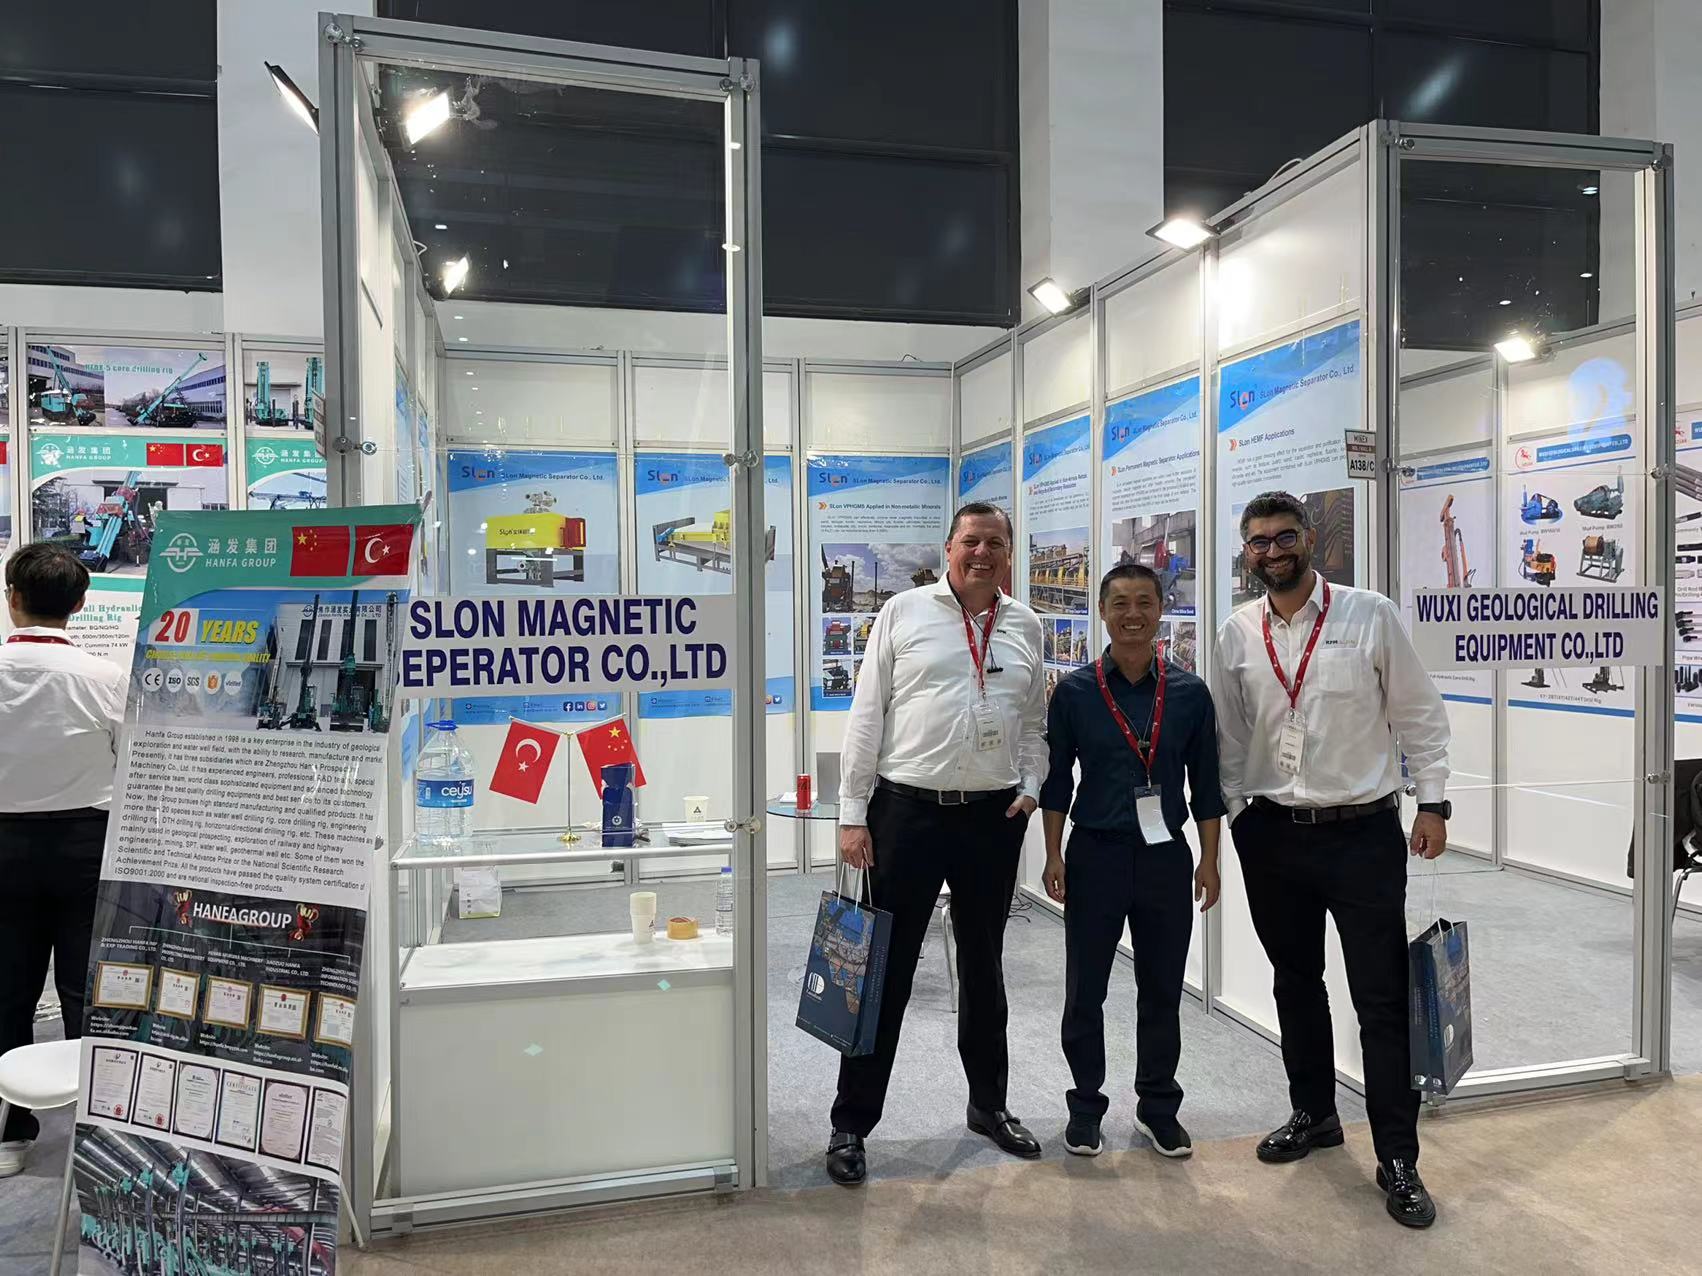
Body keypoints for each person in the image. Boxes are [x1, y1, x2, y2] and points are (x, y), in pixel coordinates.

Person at [1211, 491, 1451, 1229]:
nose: (1272, 551)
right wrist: (1241, 816)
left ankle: (1398, 1156)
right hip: (1273, 834)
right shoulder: (1236, 632)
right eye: (1258, 541)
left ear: (1309, 539)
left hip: (1362, 836)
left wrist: (1434, 803)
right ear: (1246, 551)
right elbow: (1228, 735)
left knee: (1380, 998)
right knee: (1295, 982)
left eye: (1284, 537)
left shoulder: (1368, 614)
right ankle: (1314, 1113)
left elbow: (1419, 714)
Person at [827, 501, 1048, 1186]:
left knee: (984, 968)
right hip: (907, 813)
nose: (983, 553)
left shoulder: (1026, 625)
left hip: (991, 819)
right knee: (884, 970)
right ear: (949, 547)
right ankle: (851, 1122)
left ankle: (989, 1105)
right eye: (971, 541)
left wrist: (1031, 785)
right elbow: (867, 715)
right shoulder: (903, 613)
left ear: (1009, 553)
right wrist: (852, 813)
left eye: (996, 543)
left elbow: (1034, 722)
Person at [1040, 563, 1225, 1160]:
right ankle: (1085, 1107)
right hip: (1094, 855)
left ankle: (1158, 1107)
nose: (1133, 615)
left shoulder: (1190, 694)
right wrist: (1052, 854)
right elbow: (1056, 783)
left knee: (1162, 988)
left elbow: (1208, 788)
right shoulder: (1075, 692)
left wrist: (1210, 861)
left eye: (1144, 602)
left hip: (1166, 859)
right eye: (1120, 603)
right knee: (1085, 990)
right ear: (1102, 612)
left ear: (1160, 610)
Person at [0, 544, 128, 1177]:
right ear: (80, 604)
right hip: (87, 845)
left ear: (12, 598)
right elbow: (130, 764)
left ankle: (10, 1134)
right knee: (87, 988)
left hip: (3, 847)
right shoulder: (106, 678)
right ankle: (96, 1130)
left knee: (7, 990)